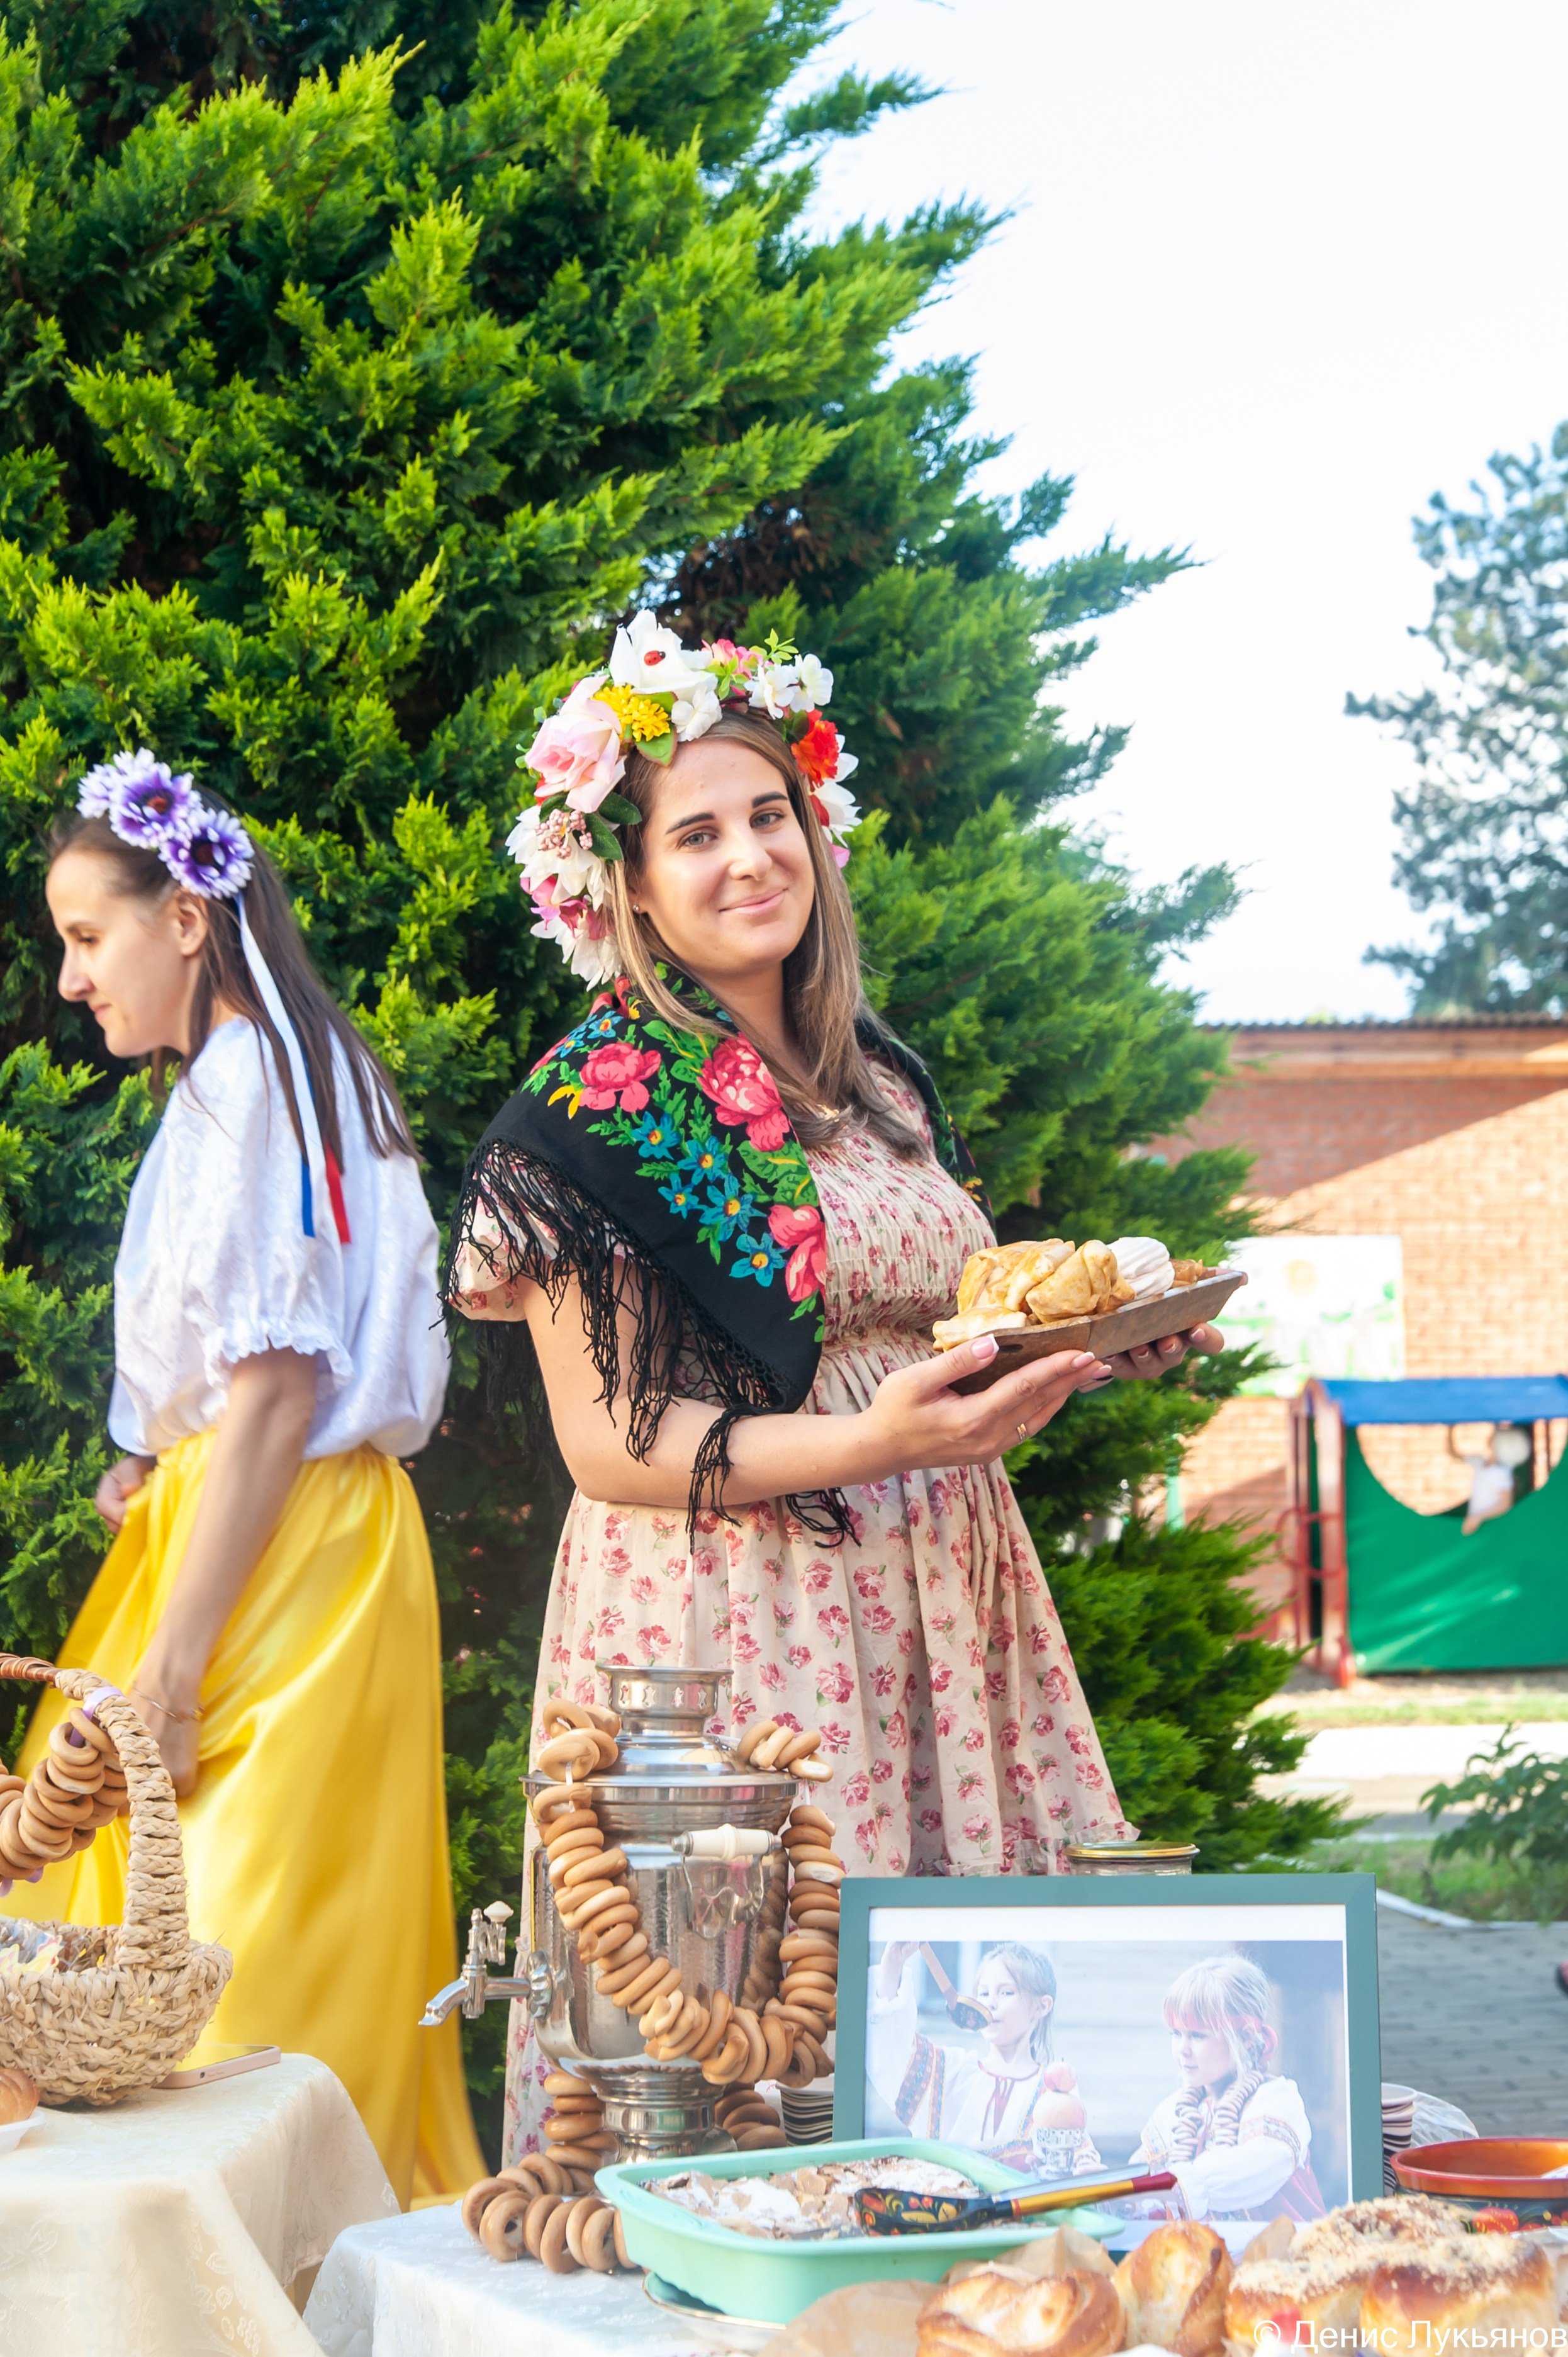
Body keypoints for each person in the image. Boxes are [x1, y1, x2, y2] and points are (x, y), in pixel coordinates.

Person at [444, 613, 1222, 2159]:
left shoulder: (877, 1079)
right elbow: (611, 1447)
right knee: (755, 2057)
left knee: (962, 2079)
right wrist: (873, 1439)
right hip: (738, 1624)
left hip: (939, 1587)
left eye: (770, 816)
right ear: (628, 883)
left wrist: (1080, 1351)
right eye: (697, 835)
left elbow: (939, 1332)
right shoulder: (590, 1111)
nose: (750, 858)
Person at [10, 753, 484, 2204]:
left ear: (186, 919)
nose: (72, 979)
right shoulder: (258, 1077)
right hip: (257, 1531)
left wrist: (172, 1668)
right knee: (172, 1934)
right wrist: (160, 1466)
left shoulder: (259, 1082)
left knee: (232, 1961)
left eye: (87, 936)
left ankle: (247, 2271)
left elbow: (278, 1390)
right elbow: (248, 1377)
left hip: (286, 1564)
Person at [866, 1938, 1099, 2171]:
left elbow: (1079, 2163)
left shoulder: (1051, 2090)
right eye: (984, 1993)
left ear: (1042, 2006)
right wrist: (894, 1959)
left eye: (1006, 1992)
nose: (991, 2004)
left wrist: (1084, 2167)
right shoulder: (951, 2072)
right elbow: (891, 2051)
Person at [1131, 1953, 1324, 2222]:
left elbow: (1256, 2167)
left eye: (1197, 2035)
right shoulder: (1171, 2112)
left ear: (1246, 2037)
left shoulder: (1276, 2101)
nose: (1182, 2049)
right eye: (1176, 2034)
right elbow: (1139, 2181)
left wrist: (1183, 2185)